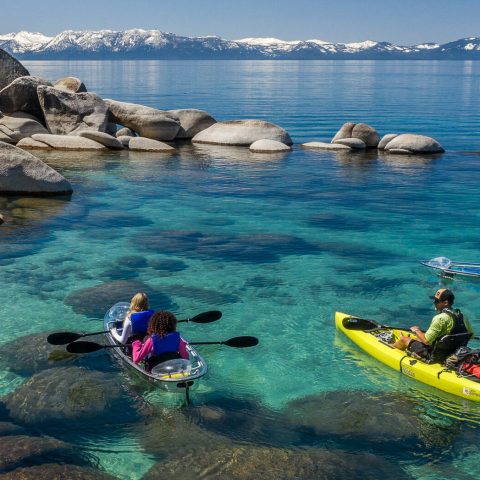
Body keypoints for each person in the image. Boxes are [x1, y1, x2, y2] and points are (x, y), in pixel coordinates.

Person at [393, 288, 474, 361]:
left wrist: (416, 330)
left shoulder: (440, 318)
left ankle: (391, 349)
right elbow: (471, 335)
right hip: (455, 353)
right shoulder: (462, 316)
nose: (434, 303)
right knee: (418, 338)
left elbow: (426, 341)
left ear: (445, 302)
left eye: (436, 301)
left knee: (404, 340)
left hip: (435, 355)